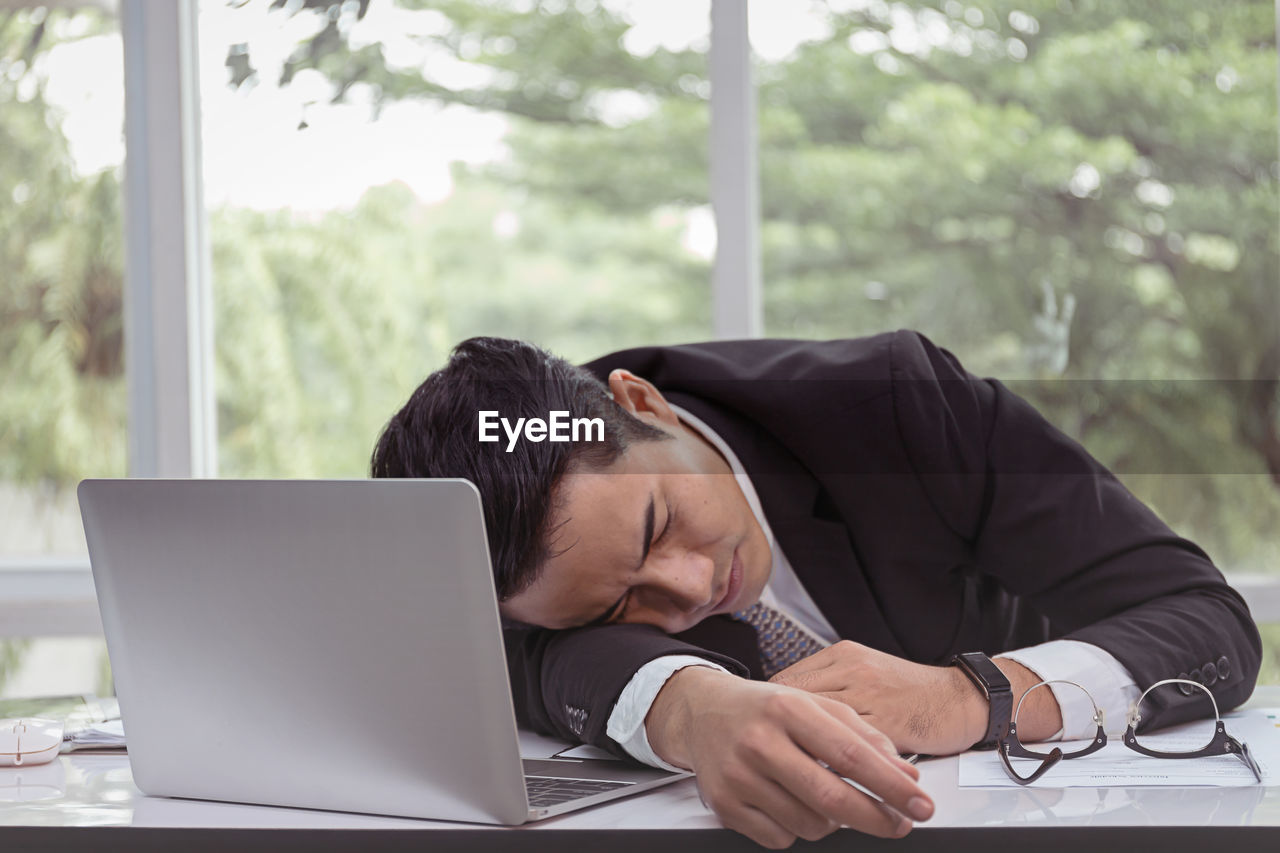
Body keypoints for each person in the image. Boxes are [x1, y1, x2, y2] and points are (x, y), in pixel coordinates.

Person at [370, 331, 1261, 849]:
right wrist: (690, 706)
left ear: (644, 404)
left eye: (656, 525)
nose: (685, 592)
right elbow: (535, 659)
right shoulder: (510, 573)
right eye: (616, 608)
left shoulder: (904, 406)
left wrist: (968, 694)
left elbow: (1207, 618)